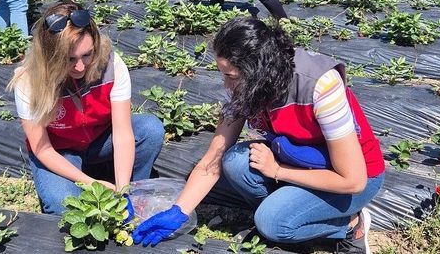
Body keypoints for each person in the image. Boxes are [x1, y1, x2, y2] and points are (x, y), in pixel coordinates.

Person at [132, 17, 385, 254]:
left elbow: (353, 181)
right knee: (234, 161)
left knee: (272, 224)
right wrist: (180, 211)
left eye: (231, 76)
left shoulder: (320, 85)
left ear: (258, 71)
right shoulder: (246, 88)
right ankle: (288, 209)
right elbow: (215, 156)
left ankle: (351, 224)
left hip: (354, 177)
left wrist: (278, 171)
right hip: (299, 161)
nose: (226, 85)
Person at [7, 2, 165, 214]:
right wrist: (91, 184)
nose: (80, 67)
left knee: (150, 130)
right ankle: (88, 178)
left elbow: (122, 132)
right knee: (61, 203)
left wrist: (123, 189)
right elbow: (42, 149)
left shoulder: (111, 65)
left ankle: (134, 192)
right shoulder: (29, 81)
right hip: (60, 151)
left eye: (87, 55)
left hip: (100, 141)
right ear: (50, 55)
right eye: (69, 59)